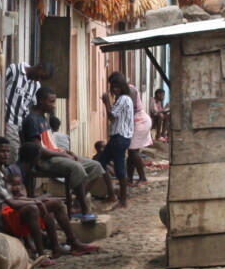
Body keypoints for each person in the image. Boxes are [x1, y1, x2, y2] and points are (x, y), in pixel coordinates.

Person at [18, 87, 99, 219]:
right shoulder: (32, 120)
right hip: (44, 160)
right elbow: (40, 150)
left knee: (96, 166)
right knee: (75, 167)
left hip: (56, 155)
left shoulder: (44, 119)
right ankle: (85, 210)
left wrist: (67, 152)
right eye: (51, 102)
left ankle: (76, 204)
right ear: (41, 101)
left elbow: (51, 144)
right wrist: (63, 155)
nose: (53, 105)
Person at [0, 136, 54, 262]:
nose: (6, 154)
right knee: (33, 208)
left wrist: (38, 200)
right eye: (2, 151)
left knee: (53, 203)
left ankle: (57, 245)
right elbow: (11, 202)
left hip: (8, 215)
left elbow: (16, 198)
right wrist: (35, 201)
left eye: (8, 151)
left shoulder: (4, 171)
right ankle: (41, 255)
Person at [7, 168, 98, 258]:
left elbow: (24, 199)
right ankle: (47, 252)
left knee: (51, 206)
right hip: (11, 214)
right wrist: (35, 201)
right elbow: (13, 202)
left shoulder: (9, 173)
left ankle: (58, 246)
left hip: (21, 208)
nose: (18, 187)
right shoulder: (3, 178)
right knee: (50, 204)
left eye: (19, 185)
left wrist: (36, 200)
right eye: (15, 185)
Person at [94, 72, 134, 210]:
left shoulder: (123, 99)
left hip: (120, 137)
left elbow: (112, 115)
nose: (115, 89)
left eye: (117, 86)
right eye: (113, 87)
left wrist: (106, 102)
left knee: (119, 169)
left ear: (122, 86)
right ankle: (112, 194)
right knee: (100, 164)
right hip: (118, 137)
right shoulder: (122, 99)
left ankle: (123, 200)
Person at [3, 61, 55, 138]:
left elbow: (35, 106)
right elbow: (0, 91)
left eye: (42, 79)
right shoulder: (14, 70)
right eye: (40, 76)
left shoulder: (36, 85)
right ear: (39, 67)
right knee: (14, 149)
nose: (39, 79)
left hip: (23, 125)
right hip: (10, 122)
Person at [127, 83, 154, 186]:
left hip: (140, 121)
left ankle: (142, 177)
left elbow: (132, 108)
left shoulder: (130, 89)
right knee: (131, 152)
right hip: (137, 121)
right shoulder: (128, 89)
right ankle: (129, 178)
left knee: (133, 151)